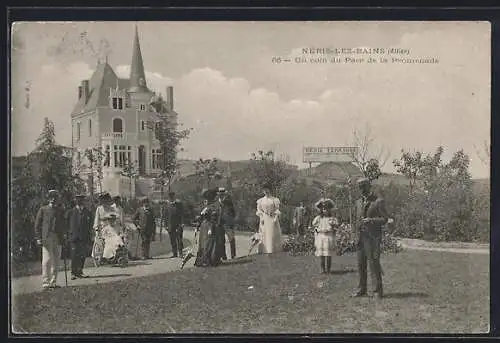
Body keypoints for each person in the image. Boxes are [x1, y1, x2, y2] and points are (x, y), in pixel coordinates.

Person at [351, 178, 389, 299]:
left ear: (369, 186)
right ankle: (361, 289)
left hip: (373, 238)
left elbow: (385, 219)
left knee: (373, 263)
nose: (362, 189)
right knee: (360, 264)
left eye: (364, 187)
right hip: (360, 238)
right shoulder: (357, 202)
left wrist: (371, 220)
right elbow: (354, 220)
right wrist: (353, 235)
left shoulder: (378, 201)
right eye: (360, 187)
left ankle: (377, 291)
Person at [34, 189, 66, 289]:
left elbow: (63, 225)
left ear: (57, 199)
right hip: (47, 237)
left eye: (55, 197)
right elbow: (37, 225)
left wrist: (64, 236)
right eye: (51, 197)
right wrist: (38, 237)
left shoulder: (60, 210)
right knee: (47, 259)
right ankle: (45, 282)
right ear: (48, 198)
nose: (53, 199)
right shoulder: (43, 209)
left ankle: (53, 282)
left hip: (57, 237)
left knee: (56, 260)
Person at [194, 188, 225, 267]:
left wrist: (211, 228)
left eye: (207, 199)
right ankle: (204, 260)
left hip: (209, 227)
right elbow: (201, 217)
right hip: (205, 227)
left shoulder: (214, 206)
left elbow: (213, 218)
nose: (205, 201)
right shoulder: (208, 206)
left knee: (210, 243)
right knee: (204, 243)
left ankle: (210, 260)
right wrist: (197, 226)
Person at [66, 194, 93, 280]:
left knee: (82, 255)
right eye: (78, 199)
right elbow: (65, 223)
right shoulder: (71, 212)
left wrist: (90, 235)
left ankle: (80, 271)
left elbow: (90, 225)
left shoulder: (87, 212)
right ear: (75, 201)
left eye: (81, 199)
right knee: (74, 255)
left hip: (84, 237)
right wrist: (68, 233)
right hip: (74, 237)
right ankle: (73, 273)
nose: (80, 201)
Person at [311, 198, 339, 274]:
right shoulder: (319, 218)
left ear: (329, 210)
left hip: (329, 236)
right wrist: (317, 230)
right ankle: (322, 269)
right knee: (322, 254)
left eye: (327, 209)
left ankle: (328, 269)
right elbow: (314, 226)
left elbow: (336, 227)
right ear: (321, 210)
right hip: (321, 236)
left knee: (328, 254)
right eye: (323, 209)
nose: (325, 211)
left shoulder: (332, 219)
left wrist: (333, 227)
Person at [256, 183, 282, 254]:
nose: (266, 191)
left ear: (270, 190)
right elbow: (259, 210)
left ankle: (272, 249)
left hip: (272, 218)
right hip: (264, 219)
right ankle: (263, 250)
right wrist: (261, 217)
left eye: (267, 189)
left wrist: (275, 218)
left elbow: (277, 209)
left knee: (272, 234)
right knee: (264, 233)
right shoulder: (261, 200)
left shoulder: (274, 200)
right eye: (264, 189)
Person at [92, 192, 116, 263]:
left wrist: (112, 219)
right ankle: (100, 256)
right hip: (102, 227)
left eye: (106, 199)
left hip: (110, 225)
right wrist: (96, 228)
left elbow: (114, 217)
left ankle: (111, 256)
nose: (104, 201)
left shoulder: (111, 208)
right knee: (101, 240)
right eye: (103, 200)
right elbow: (96, 219)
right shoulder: (99, 208)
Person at [217, 187, 237, 260]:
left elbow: (233, 213)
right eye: (220, 194)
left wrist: (231, 221)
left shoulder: (229, 202)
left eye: (222, 194)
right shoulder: (217, 202)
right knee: (221, 241)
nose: (221, 195)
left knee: (231, 239)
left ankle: (233, 255)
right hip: (220, 223)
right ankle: (223, 256)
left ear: (225, 194)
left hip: (228, 223)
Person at [163, 192, 184, 258]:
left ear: (174, 197)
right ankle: (174, 253)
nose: (171, 198)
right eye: (170, 197)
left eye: (172, 197)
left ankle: (180, 253)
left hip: (178, 225)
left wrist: (182, 223)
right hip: (170, 225)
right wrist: (165, 225)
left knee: (179, 240)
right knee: (172, 240)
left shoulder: (179, 205)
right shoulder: (167, 206)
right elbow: (165, 217)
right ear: (169, 198)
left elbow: (182, 215)